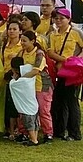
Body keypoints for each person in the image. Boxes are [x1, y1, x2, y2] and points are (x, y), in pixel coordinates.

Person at [47, 8, 83, 141]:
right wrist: (65, 60)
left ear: (69, 19)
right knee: (58, 101)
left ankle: (74, 133)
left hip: (73, 72)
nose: (58, 21)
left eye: (62, 18)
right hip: (60, 70)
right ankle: (59, 130)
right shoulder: (52, 34)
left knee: (72, 101)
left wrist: (77, 60)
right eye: (56, 18)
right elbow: (50, 52)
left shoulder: (75, 33)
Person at [20, 30, 53, 143]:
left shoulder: (39, 54)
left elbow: (35, 71)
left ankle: (48, 134)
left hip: (42, 86)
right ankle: (25, 132)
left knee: (43, 111)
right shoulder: (22, 53)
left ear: (32, 41)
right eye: (21, 40)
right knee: (26, 110)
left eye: (25, 41)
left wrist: (21, 77)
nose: (22, 43)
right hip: (28, 86)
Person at [9, 57, 40, 146]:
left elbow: (12, 84)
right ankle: (35, 138)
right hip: (34, 105)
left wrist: (14, 77)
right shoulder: (31, 78)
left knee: (29, 124)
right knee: (35, 123)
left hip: (27, 108)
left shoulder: (19, 82)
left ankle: (34, 140)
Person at [1, 20, 22, 139]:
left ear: (20, 31)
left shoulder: (22, 45)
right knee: (8, 104)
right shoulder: (5, 44)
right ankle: (9, 129)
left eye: (15, 29)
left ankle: (18, 129)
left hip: (18, 78)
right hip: (7, 78)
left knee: (17, 104)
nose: (12, 31)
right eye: (10, 29)